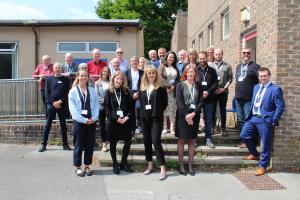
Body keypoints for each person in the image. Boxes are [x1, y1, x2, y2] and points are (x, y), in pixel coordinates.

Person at [240, 67, 284, 176]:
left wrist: (274, 119)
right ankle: (254, 153)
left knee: (265, 143)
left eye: (264, 76)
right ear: (258, 77)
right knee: (244, 135)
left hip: (265, 120)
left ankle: (262, 166)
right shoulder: (256, 87)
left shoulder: (275, 89)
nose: (262, 78)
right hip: (253, 117)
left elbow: (280, 106)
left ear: (269, 76)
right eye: (260, 76)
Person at [69, 67, 99, 177]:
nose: (83, 78)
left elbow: (96, 106)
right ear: (78, 77)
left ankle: (87, 165)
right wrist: (85, 120)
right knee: (78, 144)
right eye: (81, 76)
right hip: (79, 122)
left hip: (91, 122)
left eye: (85, 76)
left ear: (88, 78)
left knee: (89, 145)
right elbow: (73, 110)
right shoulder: (72, 92)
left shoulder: (92, 90)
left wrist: (94, 118)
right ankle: (77, 167)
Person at [139, 66, 168, 180]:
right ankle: (150, 165)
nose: (151, 75)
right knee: (147, 141)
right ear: (146, 75)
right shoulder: (142, 87)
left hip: (156, 118)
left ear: (156, 74)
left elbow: (165, 103)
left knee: (156, 141)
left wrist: (157, 111)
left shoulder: (160, 88)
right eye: (149, 73)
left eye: (153, 73)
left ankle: (162, 168)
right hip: (145, 119)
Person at [176, 65, 203, 176]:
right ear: (185, 73)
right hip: (182, 116)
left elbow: (201, 101)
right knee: (181, 140)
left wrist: (193, 114)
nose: (190, 74)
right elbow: (179, 102)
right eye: (188, 72)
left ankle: (190, 165)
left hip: (194, 115)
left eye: (192, 72)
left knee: (192, 141)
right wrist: (187, 116)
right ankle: (181, 165)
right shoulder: (180, 85)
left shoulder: (199, 85)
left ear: (195, 74)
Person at [104, 71, 133, 175]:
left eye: (121, 79)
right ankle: (115, 164)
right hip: (113, 122)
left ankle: (124, 163)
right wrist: (116, 118)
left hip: (125, 121)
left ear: (123, 80)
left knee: (128, 141)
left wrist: (127, 117)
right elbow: (107, 108)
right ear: (113, 79)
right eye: (117, 78)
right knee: (113, 143)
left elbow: (130, 107)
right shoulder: (108, 92)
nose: (119, 81)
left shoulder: (126, 91)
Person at [38, 62, 70, 152]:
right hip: (51, 105)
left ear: (61, 69)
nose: (58, 69)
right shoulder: (49, 79)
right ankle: (43, 145)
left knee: (63, 125)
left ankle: (65, 144)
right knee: (47, 125)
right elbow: (46, 93)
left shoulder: (66, 80)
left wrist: (60, 101)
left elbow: (67, 93)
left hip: (62, 105)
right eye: (56, 68)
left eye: (59, 67)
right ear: (54, 69)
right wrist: (53, 102)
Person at [235, 48, 260, 148]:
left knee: (248, 120)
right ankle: (244, 140)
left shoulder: (255, 66)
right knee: (241, 120)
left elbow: (260, 81)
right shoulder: (238, 66)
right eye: (244, 53)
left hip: (248, 99)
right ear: (241, 54)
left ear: (251, 54)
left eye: (248, 53)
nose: (246, 54)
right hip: (238, 98)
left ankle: (250, 141)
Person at [196, 51, 218, 148]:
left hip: (209, 99)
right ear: (198, 59)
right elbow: (193, 83)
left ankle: (208, 139)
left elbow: (215, 83)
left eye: (204, 58)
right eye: (200, 58)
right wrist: (201, 92)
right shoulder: (195, 70)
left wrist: (208, 92)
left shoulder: (212, 71)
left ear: (207, 58)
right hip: (197, 99)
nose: (202, 60)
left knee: (208, 119)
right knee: (196, 119)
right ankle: (194, 139)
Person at [211, 48, 233, 136]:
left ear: (222, 55)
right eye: (216, 54)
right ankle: (213, 127)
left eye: (219, 54)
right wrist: (213, 89)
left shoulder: (227, 66)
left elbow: (230, 79)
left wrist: (224, 88)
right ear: (214, 55)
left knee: (223, 110)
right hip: (213, 92)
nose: (217, 56)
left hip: (223, 92)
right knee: (212, 110)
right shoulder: (211, 66)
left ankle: (223, 128)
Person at [158, 51, 180, 135]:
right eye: (170, 57)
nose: (171, 59)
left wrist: (173, 86)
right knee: (165, 109)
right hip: (165, 91)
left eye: (173, 57)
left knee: (172, 109)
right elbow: (160, 77)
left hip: (173, 92)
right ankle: (164, 127)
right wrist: (168, 86)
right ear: (166, 58)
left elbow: (178, 79)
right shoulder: (162, 66)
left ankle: (172, 128)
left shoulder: (175, 67)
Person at [125, 56, 144, 135]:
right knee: (131, 111)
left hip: (139, 93)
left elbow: (143, 84)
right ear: (130, 63)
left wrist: (138, 93)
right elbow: (125, 85)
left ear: (138, 62)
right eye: (132, 61)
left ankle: (140, 126)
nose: (134, 63)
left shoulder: (142, 72)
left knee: (139, 108)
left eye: (136, 61)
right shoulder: (126, 72)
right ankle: (132, 129)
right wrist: (132, 94)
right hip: (129, 94)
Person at [94, 67, 111, 152]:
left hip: (110, 107)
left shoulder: (111, 82)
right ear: (101, 72)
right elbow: (96, 95)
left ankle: (109, 141)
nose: (105, 73)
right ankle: (104, 143)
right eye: (104, 71)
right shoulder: (97, 83)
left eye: (107, 72)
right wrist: (104, 101)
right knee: (102, 125)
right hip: (101, 106)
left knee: (109, 124)